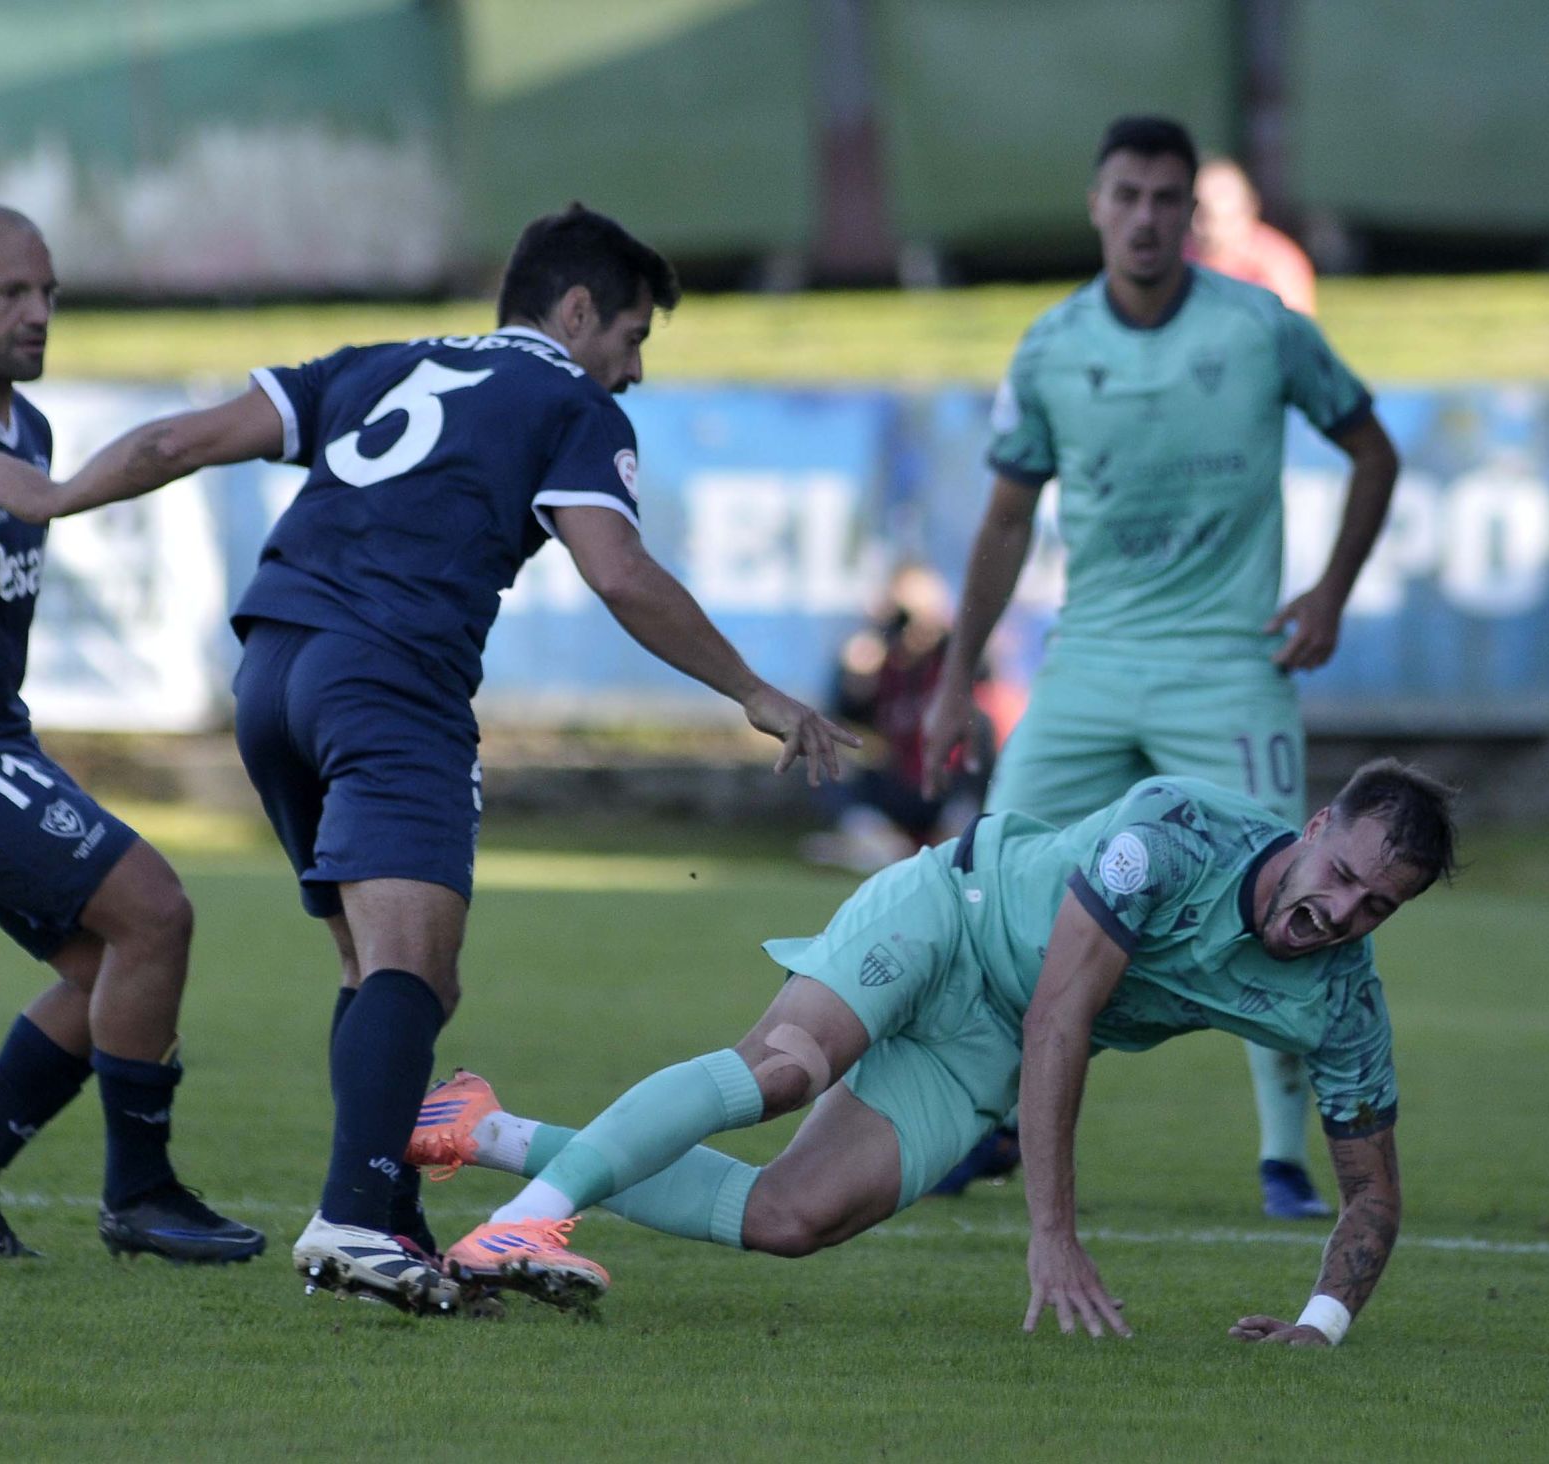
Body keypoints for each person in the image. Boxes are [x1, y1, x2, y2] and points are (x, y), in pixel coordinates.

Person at [0, 203, 857, 1313]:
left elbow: (173, 441)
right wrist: (755, 692)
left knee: (384, 968)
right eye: (630, 340)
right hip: (391, 680)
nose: (629, 375)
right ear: (576, 312)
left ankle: (385, 1217)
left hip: (274, 672)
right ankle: (349, 1217)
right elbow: (619, 572)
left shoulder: (380, 362)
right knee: (409, 968)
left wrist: (53, 496)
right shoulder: (567, 402)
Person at [406, 759, 1455, 1343]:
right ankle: (519, 1228)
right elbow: (1062, 1019)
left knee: (790, 1219)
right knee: (782, 1071)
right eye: (1344, 873)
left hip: (984, 1041)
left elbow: (1374, 1197)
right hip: (952, 914)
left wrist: (1322, 1327)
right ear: (1316, 825)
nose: (1345, 911)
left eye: (1379, 906)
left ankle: (482, 1130)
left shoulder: (1342, 1004)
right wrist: (1053, 1231)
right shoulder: (1172, 830)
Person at [919, 117, 1400, 1220]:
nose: (1145, 217)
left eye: (1165, 199)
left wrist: (1328, 592)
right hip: (1086, 662)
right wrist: (957, 676)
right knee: (984, 884)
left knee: (1297, 905)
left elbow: (1374, 449)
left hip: (1227, 670)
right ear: (1096, 204)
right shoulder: (1049, 347)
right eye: (1126, 195)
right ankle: (977, 1123)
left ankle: (1285, 1158)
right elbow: (1002, 520)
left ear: (1195, 212)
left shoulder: (1262, 329)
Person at [0, 203, 264, 1263]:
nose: (37, 315)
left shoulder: (29, 432)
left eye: (48, 292)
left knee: (107, 963)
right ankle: (140, 1195)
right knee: (152, 911)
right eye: (8, 294)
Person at [800, 563, 992, 875]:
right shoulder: (873, 657)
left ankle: (952, 836)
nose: (912, 628)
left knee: (983, 731)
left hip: (946, 784)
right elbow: (839, 721)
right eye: (903, 615)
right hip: (893, 784)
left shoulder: (955, 660)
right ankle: (875, 837)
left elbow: (986, 686)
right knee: (827, 752)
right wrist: (856, 681)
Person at [1185, 156, 1318, 316]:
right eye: (1196, 213)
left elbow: (1296, 332)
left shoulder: (1278, 265)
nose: (1200, 226)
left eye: (1212, 218)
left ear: (1248, 210)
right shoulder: (1177, 257)